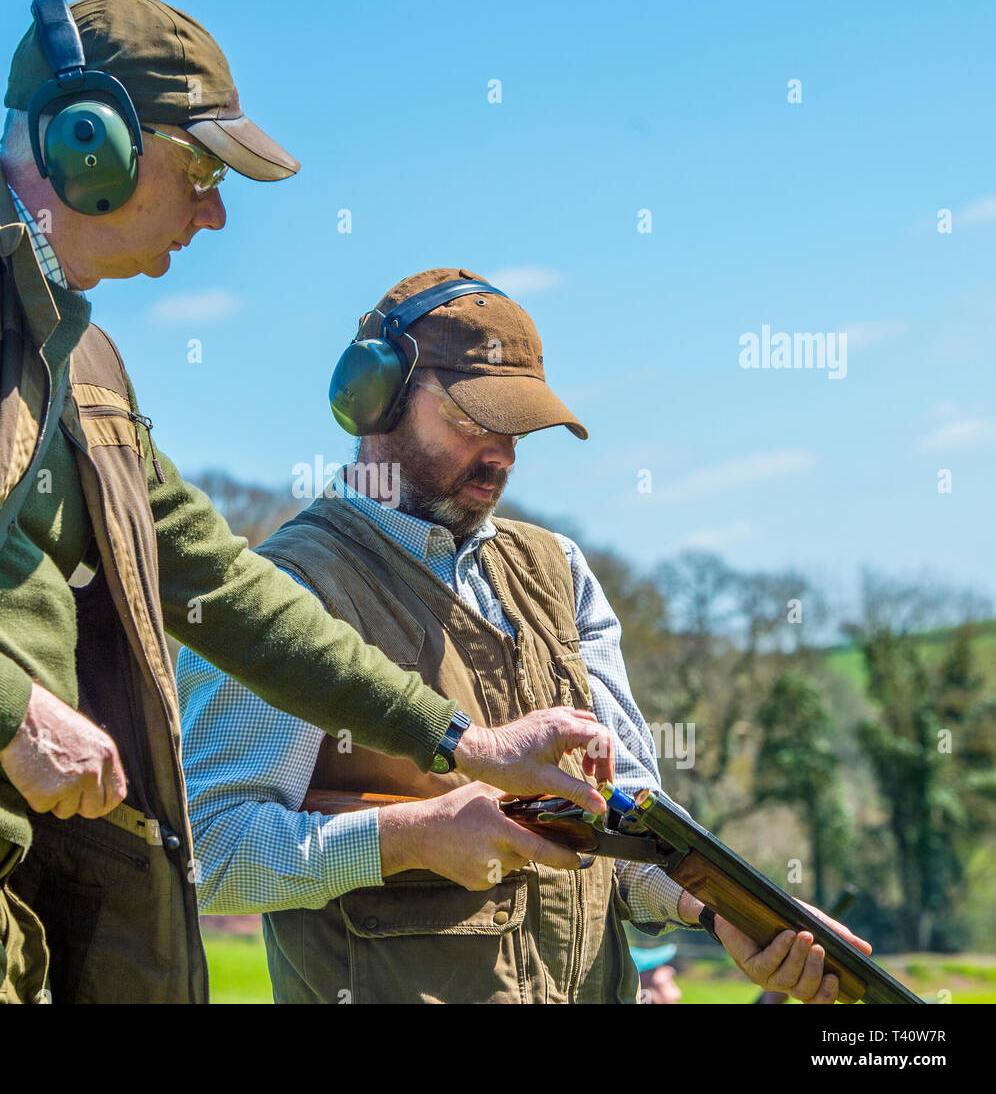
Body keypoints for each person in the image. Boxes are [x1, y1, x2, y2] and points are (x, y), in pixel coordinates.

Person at [0, 0, 605, 1006]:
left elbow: (222, 587)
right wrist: (9, 709)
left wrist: (460, 740)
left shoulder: (83, 360)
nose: (215, 212)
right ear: (90, 141)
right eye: (204, 170)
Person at [177, 268, 873, 1003]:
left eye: (516, 428)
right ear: (375, 400)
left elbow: (629, 828)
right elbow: (207, 854)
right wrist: (405, 838)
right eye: (475, 420)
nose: (502, 454)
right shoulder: (287, 592)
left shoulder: (560, 571)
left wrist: (727, 913)